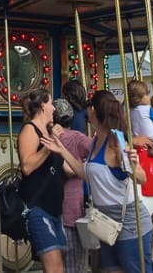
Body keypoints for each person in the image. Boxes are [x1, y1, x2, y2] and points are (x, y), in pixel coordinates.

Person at [76, 90, 152, 273]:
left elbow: (141, 178)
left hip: (128, 221)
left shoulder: (115, 141)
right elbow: (88, 174)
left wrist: (132, 165)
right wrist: (61, 151)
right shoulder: (96, 140)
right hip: (106, 220)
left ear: (93, 110)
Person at [18, 88, 84, 273]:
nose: (54, 108)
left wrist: (90, 166)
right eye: (50, 103)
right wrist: (48, 145)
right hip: (38, 209)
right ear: (42, 106)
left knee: (58, 267)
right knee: (55, 268)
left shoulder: (48, 133)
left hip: (55, 211)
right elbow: (27, 166)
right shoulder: (30, 130)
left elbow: (65, 169)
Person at [52, 98, 92, 273]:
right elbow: (96, 149)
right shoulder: (76, 137)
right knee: (77, 264)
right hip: (72, 211)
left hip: (52, 211)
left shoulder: (46, 138)